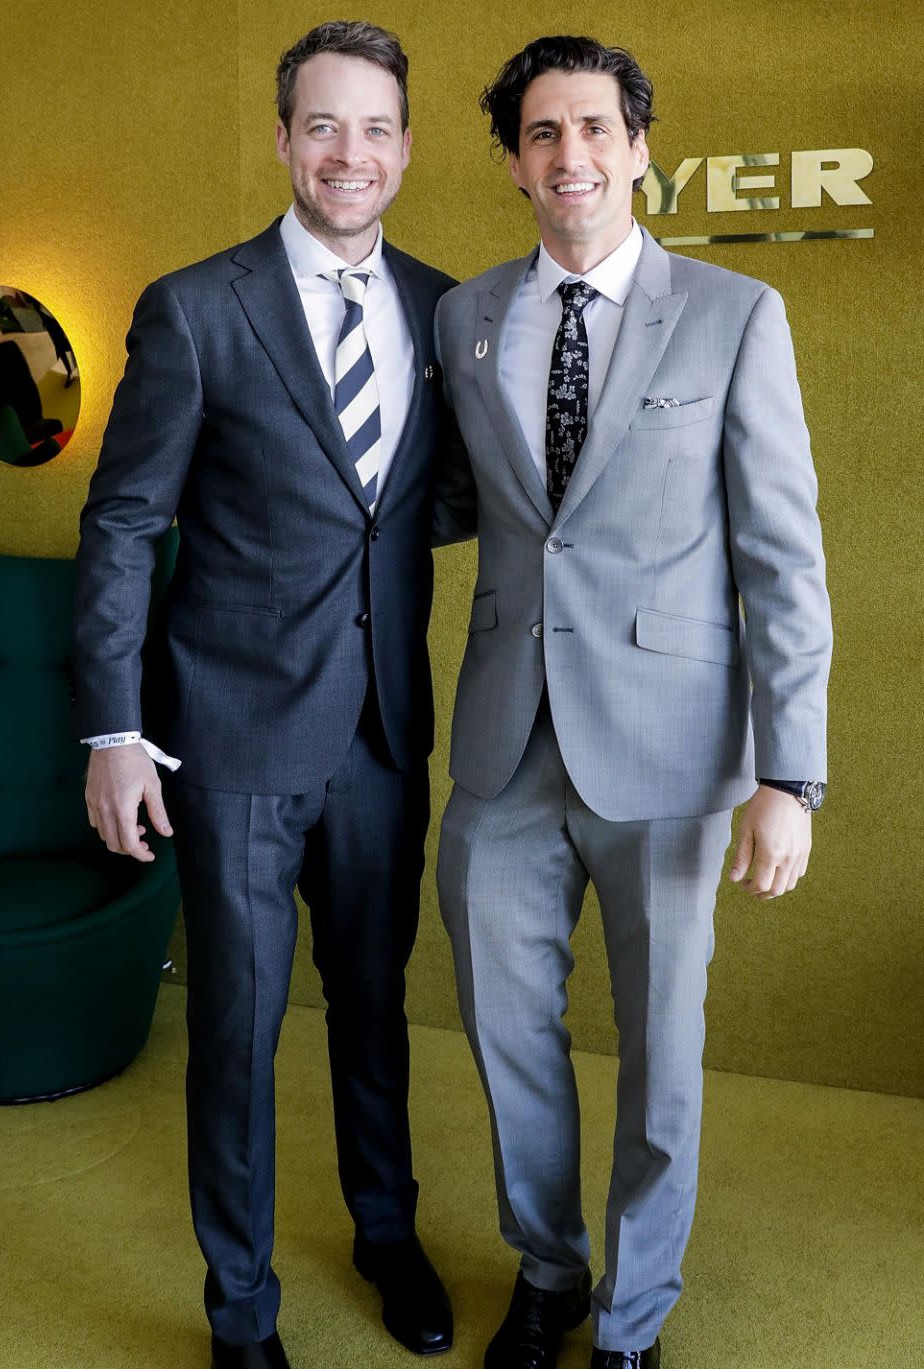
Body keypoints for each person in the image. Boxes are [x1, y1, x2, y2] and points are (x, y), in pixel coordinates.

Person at [73, 21, 468, 1369]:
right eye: (322, 124)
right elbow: (124, 521)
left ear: (405, 150)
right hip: (229, 736)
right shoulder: (197, 307)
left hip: (381, 731)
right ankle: (241, 1307)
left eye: (374, 128)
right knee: (237, 1032)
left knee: (373, 1000)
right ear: (285, 139)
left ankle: (385, 1228)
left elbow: (441, 501)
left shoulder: (446, 308)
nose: (348, 151)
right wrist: (115, 732)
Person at [434, 35, 832, 1369]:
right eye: (543, 134)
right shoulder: (465, 316)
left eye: (595, 128)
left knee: (662, 1056)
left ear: (639, 146)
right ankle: (548, 1270)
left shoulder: (733, 315)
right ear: (513, 163)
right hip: (503, 745)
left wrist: (793, 775)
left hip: (671, 755)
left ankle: (635, 1320)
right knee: (506, 1033)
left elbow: (781, 554)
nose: (571, 156)